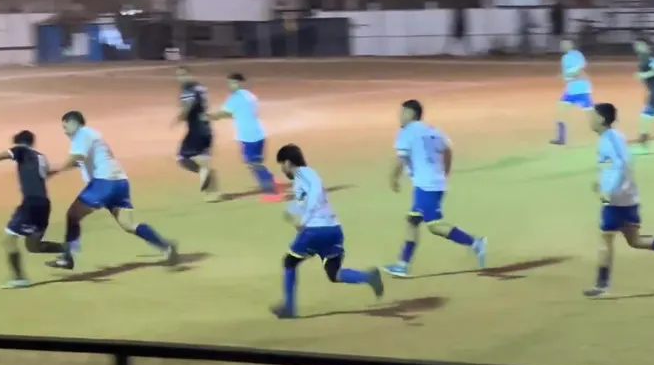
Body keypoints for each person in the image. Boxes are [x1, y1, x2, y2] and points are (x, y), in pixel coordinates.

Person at [45, 111, 178, 270]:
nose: (65, 132)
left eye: (65, 127)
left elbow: (76, 158)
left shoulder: (82, 134)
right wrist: (57, 171)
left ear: (74, 123)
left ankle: (68, 256)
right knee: (129, 225)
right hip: (120, 182)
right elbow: (78, 162)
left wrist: (56, 170)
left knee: (73, 214)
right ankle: (165, 246)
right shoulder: (91, 135)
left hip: (104, 182)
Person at [586, 102, 654, 297]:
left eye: (593, 115)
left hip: (616, 200)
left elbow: (621, 165)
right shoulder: (613, 137)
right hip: (627, 198)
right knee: (634, 240)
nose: (589, 119)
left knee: (605, 238)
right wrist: (602, 182)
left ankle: (601, 285)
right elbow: (614, 166)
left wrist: (608, 190)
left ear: (602, 119)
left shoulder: (609, 139)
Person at [271, 144, 383, 319]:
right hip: (334, 229)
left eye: (282, 165)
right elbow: (304, 200)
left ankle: (289, 308)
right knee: (334, 273)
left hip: (315, 230)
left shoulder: (303, 174)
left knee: (289, 262)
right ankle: (367, 277)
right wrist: (290, 210)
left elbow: (314, 196)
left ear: (288, 162)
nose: (282, 169)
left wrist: (304, 221)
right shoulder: (305, 176)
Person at [383, 100, 487, 277]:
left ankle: (475, 242)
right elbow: (447, 150)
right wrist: (445, 172)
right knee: (412, 221)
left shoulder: (406, 132)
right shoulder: (433, 130)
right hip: (434, 183)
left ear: (411, 114)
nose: (399, 116)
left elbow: (401, 158)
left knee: (434, 225)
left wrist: (393, 178)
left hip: (426, 186)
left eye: (402, 112)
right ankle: (402, 265)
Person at [0, 130, 67, 288]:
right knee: (33, 246)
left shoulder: (21, 150)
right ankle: (67, 249)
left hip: (30, 203)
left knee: (9, 240)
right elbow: (45, 175)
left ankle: (19, 278)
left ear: (19, 142)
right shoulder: (41, 157)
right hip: (44, 204)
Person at [205, 72, 279, 200]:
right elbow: (236, 113)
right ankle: (269, 181)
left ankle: (270, 188)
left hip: (248, 136)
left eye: (232, 82)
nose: (230, 85)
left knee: (253, 164)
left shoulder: (235, 98)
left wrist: (208, 117)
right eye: (229, 83)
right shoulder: (250, 95)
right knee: (253, 162)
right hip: (258, 133)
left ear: (238, 83)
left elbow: (223, 113)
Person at [174, 66, 217, 199]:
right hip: (207, 129)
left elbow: (187, 106)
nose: (180, 78)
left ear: (189, 75)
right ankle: (213, 194)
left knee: (182, 158)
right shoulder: (200, 87)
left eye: (182, 75)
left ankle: (201, 172)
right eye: (178, 75)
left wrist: (180, 117)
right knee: (205, 162)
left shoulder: (188, 89)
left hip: (196, 130)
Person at [551, 38, 593, 145]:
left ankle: (606, 132)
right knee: (561, 111)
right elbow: (571, 71)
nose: (563, 46)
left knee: (591, 114)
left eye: (565, 44)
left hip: (581, 88)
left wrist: (568, 75)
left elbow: (579, 69)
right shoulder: (565, 57)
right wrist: (565, 76)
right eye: (562, 45)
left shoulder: (576, 55)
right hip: (571, 89)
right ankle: (561, 138)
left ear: (571, 45)